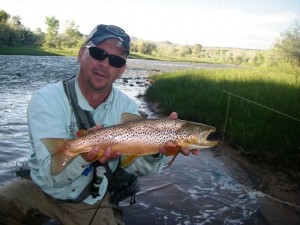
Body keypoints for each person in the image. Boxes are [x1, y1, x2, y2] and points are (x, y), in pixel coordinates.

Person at [0, 24, 198, 225]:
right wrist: (82, 156)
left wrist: (157, 152)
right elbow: (50, 175)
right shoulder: (46, 99)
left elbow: (138, 168)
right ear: (81, 55)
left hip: (90, 199)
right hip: (40, 188)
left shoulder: (127, 107)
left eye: (115, 60)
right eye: (98, 53)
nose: (105, 64)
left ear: (121, 71)